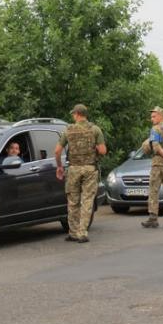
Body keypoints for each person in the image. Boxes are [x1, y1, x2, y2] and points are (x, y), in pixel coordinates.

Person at [54, 104, 107, 243]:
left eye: (73, 114)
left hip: (73, 169)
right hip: (90, 169)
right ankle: (82, 232)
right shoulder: (95, 129)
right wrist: (94, 148)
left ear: (77, 114)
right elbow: (102, 151)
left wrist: (59, 166)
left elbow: (57, 151)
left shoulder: (68, 130)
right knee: (87, 200)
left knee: (72, 201)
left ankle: (72, 232)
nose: (73, 116)